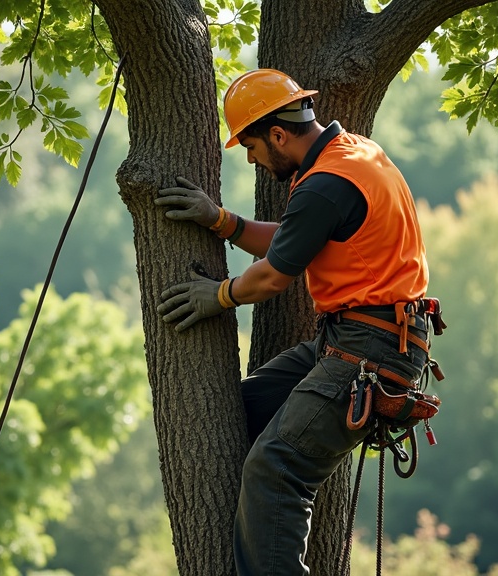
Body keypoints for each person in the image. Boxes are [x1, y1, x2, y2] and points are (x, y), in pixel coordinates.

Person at [154, 69, 435, 575]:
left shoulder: (326, 182)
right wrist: (220, 220)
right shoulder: (352, 155)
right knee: (233, 412)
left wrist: (219, 294)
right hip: (355, 340)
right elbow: (296, 237)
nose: (251, 158)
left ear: (278, 134)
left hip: (372, 349)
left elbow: (273, 278)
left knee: (276, 467)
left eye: (253, 146)